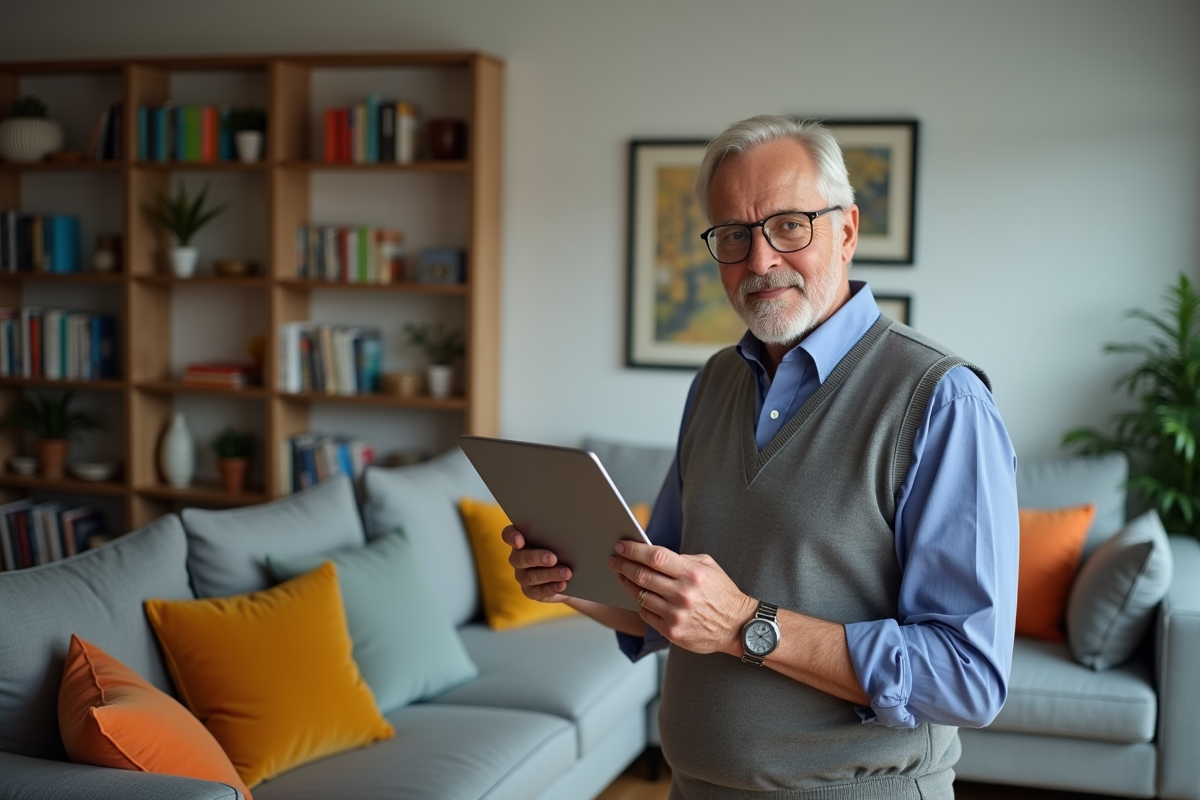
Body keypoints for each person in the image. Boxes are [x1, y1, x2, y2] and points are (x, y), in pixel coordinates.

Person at [504, 115, 1019, 800]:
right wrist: (571, 582)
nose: (759, 261)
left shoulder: (941, 400)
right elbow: (668, 600)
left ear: (847, 231)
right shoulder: (716, 380)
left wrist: (746, 625)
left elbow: (967, 677)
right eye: (734, 235)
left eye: (789, 226)